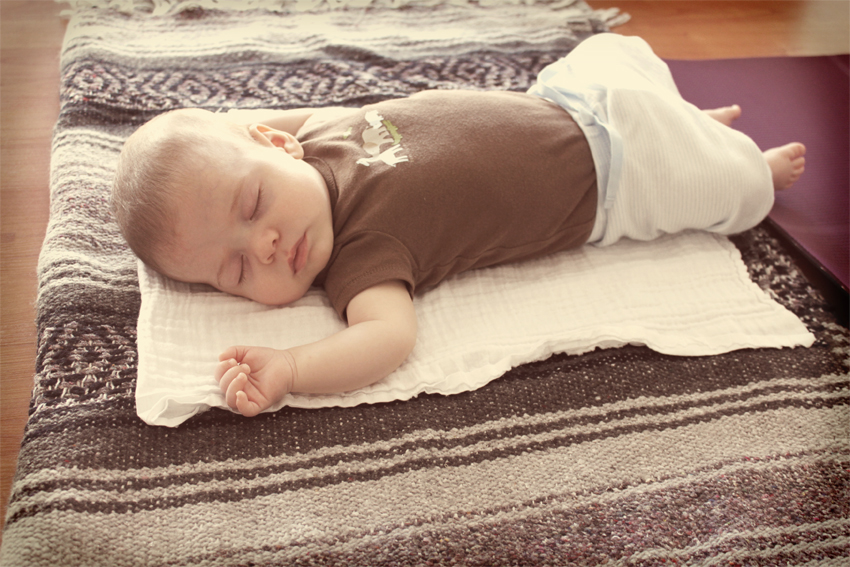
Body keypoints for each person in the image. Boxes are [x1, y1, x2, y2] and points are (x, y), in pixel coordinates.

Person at [111, 34, 806, 417]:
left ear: (275, 144)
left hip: (563, 102)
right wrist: (293, 367)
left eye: (253, 203)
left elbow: (237, 131)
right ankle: (747, 165)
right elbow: (387, 338)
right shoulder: (361, 255)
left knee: (616, 49)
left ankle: (690, 124)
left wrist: (196, 142)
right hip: (614, 180)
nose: (263, 245)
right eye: (236, 269)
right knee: (728, 186)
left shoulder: (313, 132)